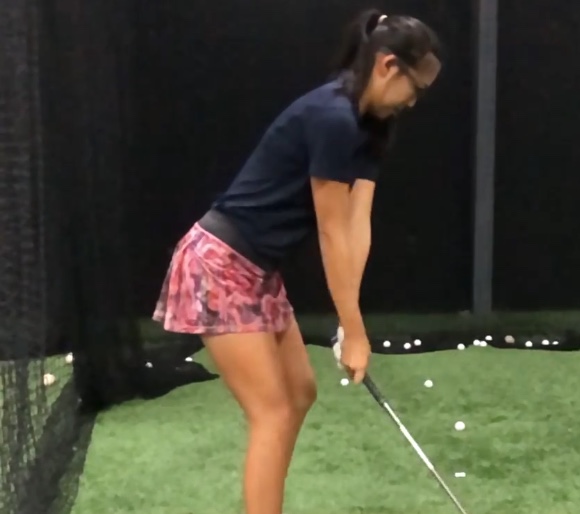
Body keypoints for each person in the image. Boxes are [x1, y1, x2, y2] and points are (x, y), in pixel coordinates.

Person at [152, 8, 442, 514]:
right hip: (217, 265)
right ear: (387, 66)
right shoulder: (332, 117)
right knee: (273, 412)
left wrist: (353, 318)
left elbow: (357, 227)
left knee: (299, 393)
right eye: (413, 87)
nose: (414, 101)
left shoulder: (372, 125)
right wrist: (352, 331)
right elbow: (331, 233)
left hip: (257, 271)